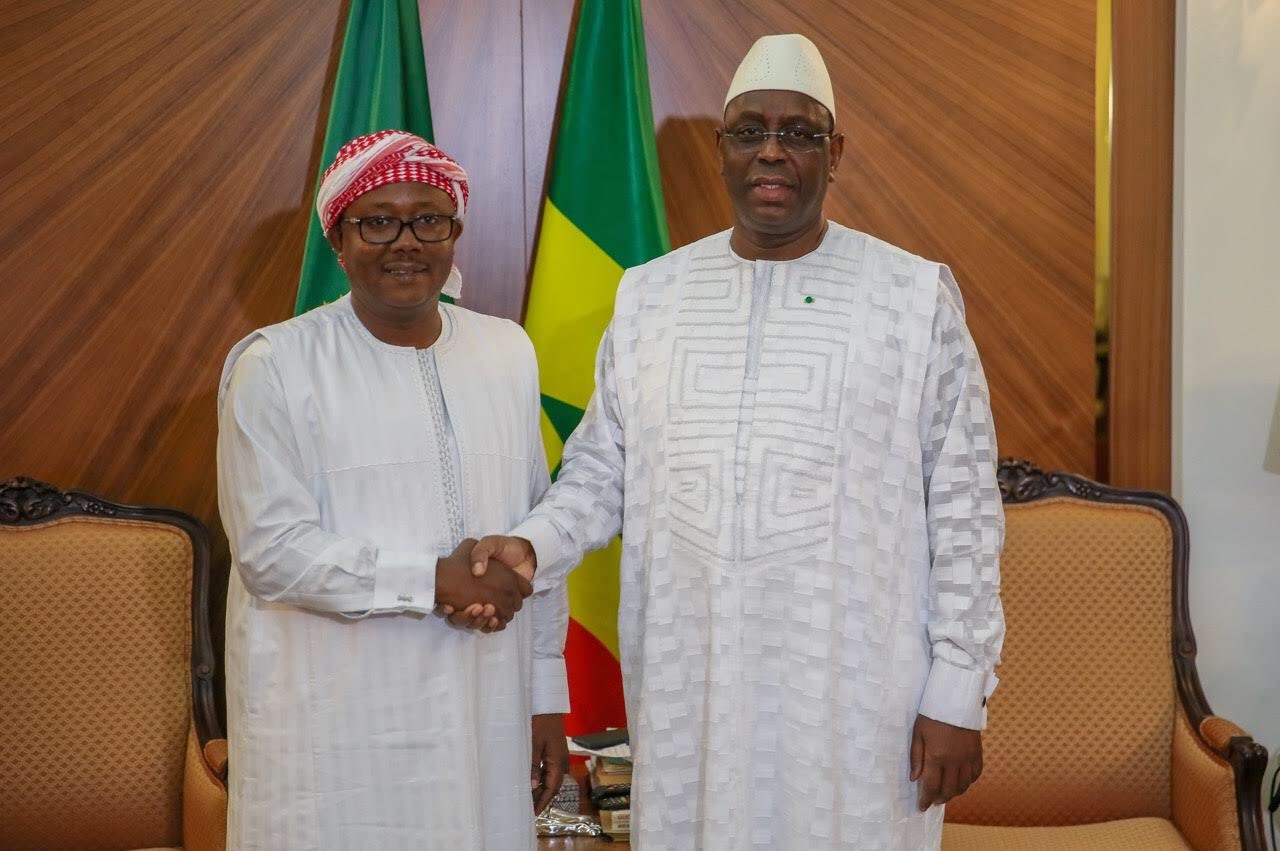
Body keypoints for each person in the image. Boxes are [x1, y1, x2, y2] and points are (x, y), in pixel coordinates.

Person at [464, 35, 1005, 849]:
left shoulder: (913, 298)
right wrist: (533, 546)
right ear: (721, 150)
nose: (773, 152)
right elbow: (600, 471)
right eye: (750, 131)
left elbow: (966, 510)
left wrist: (960, 692)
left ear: (836, 151)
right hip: (694, 686)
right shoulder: (650, 297)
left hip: (859, 696)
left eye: (800, 132)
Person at [217, 129, 569, 850]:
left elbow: (540, 531)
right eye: (377, 221)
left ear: (454, 233)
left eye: (427, 219)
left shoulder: (507, 350)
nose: (405, 241)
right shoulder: (275, 365)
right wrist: (432, 578)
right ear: (339, 241)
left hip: (484, 705)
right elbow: (270, 551)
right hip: (335, 720)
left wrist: (545, 699)